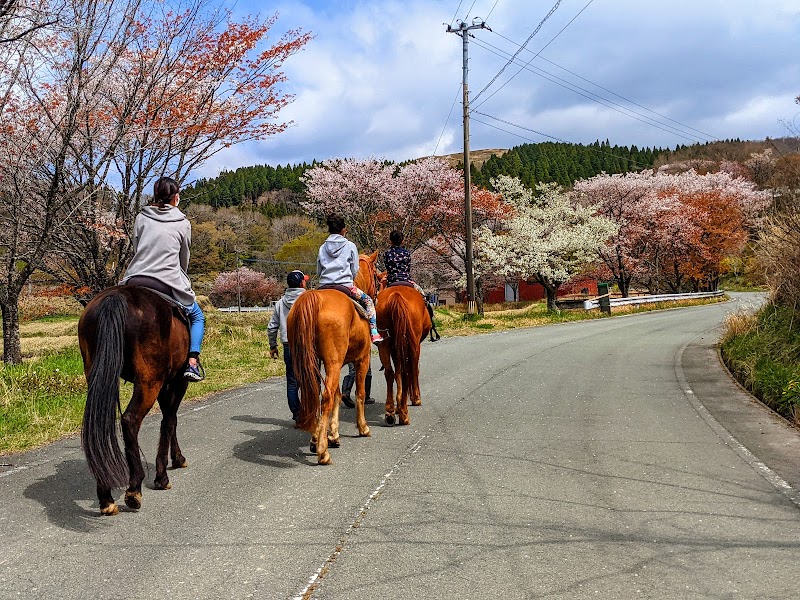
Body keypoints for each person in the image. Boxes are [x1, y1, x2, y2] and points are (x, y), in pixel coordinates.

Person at [121, 176, 206, 382]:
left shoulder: (141, 217)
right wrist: (180, 277)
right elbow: (183, 258)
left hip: (136, 278)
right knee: (197, 317)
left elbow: (136, 246)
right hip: (165, 281)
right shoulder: (183, 223)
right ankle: (192, 363)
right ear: (176, 197)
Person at [317, 213, 383, 344]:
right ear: (343, 229)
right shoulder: (350, 246)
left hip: (323, 287)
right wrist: (350, 279)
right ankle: (374, 333)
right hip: (345, 286)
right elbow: (355, 269)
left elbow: (318, 270)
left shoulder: (322, 247)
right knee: (369, 302)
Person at [268, 269, 309, 421]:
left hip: (288, 346)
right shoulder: (309, 299)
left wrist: (273, 346)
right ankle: (310, 410)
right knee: (309, 380)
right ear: (301, 283)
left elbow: (272, 327)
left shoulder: (280, 303)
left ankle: (297, 413)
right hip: (307, 345)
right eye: (304, 280)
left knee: (292, 381)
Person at [383, 229, 437, 325]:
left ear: (390, 241)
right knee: (423, 297)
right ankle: (431, 323)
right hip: (406, 281)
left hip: (391, 282)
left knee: (378, 299)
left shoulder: (387, 254)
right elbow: (407, 268)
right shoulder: (406, 253)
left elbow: (388, 268)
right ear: (402, 241)